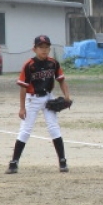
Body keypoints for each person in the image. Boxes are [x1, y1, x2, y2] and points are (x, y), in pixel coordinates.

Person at [6, 35, 72, 174]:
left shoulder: (53, 63)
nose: (44, 50)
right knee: (25, 130)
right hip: (32, 99)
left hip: (48, 98)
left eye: (46, 47)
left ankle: (62, 161)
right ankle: (14, 162)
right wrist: (22, 108)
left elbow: (61, 80)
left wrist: (67, 96)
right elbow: (23, 88)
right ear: (34, 49)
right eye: (41, 47)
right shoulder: (29, 65)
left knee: (53, 127)